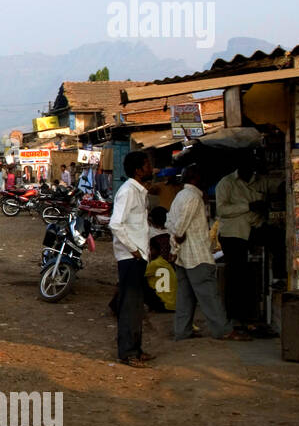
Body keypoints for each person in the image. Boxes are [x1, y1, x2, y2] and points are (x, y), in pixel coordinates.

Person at [168, 164, 249, 341]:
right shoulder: (193, 197)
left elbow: (170, 222)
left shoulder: (181, 195)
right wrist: (177, 240)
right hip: (196, 255)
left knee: (185, 296)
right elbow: (180, 228)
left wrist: (174, 248)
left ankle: (182, 330)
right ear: (196, 178)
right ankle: (223, 330)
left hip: (183, 256)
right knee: (209, 295)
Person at [109, 150, 154, 367]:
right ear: (138, 170)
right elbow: (115, 223)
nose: (150, 168)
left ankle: (136, 348)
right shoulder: (128, 192)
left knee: (136, 306)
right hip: (130, 257)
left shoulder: (139, 192)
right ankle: (128, 353)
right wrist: (134, 249)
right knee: (129, 306)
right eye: (147, 165)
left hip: (138, 255)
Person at [215, 159, 264, 330]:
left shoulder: (258, 181)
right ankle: (234, 317)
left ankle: (247, 315)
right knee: (236, 277)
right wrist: (248, 206)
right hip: (233, 235)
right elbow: (221, 210)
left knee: (247, 277)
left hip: (253, 232)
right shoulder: (226, 183)